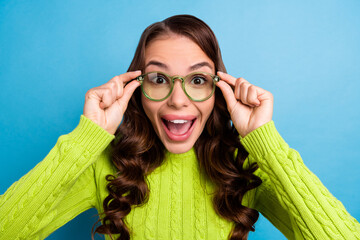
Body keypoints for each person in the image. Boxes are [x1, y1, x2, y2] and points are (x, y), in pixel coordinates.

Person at [0, 14, 359, 240]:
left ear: (218, 90)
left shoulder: (247, 167)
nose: (177, 100)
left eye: (198, 80)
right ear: (136, 90)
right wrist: (85, 140)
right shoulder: (105, 165)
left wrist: (265, 143)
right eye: (159, 78)